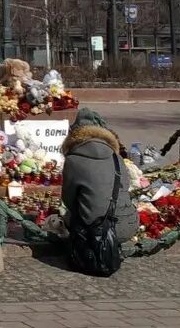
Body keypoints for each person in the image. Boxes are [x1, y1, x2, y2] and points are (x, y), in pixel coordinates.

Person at [60, 107, 140, 273]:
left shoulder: (73, 160)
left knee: (68, 217)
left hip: (95, 230)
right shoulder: (117, 158)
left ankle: (87, 251)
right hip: (128, 224)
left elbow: (68, 200)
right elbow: (125, 189)